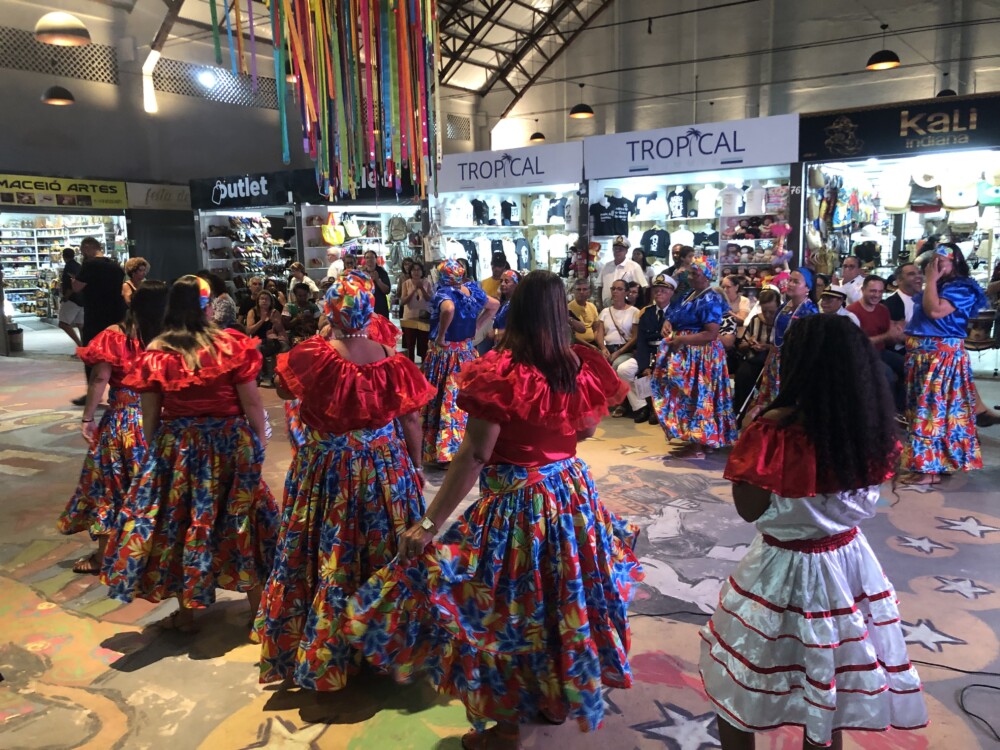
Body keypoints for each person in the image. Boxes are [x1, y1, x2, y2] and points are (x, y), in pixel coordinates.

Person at [343, 270, 643, 749]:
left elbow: (475, 455)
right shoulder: (577, 365)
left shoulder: (500, 372)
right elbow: (585, 431)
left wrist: (428, 523)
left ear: (516, 310)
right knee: (560, 602)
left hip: (517, 507)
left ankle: (505, 731)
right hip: (570, 497)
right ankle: (554, 700)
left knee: (506, 610)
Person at [702, 314, 928, 749]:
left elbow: (749, 509)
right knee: (829, 681)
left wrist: (750, 436)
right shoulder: (870, 425)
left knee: (741, 678)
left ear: (798, 364)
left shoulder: (775, 430)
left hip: (782, 568)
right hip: (848, 564)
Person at [255, 270, 435, 691]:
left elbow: (284, 391)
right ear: (369, 312)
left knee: (327, 550)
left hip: (326, 469)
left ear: (330, 310)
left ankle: (326, 649)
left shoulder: (313, 354)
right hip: (384, 466)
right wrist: (415, 465)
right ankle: (385, 643)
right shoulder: (392, 359)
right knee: (383, 545)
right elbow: (411, 419)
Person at [102, 276, 278, 633]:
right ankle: (259, 612)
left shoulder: (158, 350)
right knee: (241, 521)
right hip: (229, 445)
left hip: (179, 450)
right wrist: (259, 442)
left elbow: (150, 415)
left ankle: (186, 615)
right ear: (207, 306)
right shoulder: (231, 345)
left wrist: (156, 455)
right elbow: (252, 403)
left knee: (181, 525)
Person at [57, 281, 169, 574]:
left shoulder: (115, 335)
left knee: (109, 486)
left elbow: (99, 379)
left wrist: (87, 417)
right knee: (153, 487)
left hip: (124, 421)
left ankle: (105, 555)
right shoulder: (168, 338)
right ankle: (153, 552)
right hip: (161, 419)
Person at [899, 243, 988, 484]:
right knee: (922, 410)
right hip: (922, 358)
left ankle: (929, 470)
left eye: (942, 260)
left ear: (955, 262)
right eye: (933, 260)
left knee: (932, 411)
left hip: (941, 359)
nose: (935, 265)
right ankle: (935, 463)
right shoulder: (940, 285)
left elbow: (935, 312)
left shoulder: (962, 288)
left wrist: (930, 280)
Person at [652, 255, 737, 459]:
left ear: (707, 276)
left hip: (702, 355)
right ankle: (703, 441)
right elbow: (674, 314)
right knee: (691, 395)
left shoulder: (710, 298)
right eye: (690, 272)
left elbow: (711, 333)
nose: (689, 276)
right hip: (689, 352)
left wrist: (682, 339)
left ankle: (698, 445)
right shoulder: (690, 293)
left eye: (694, 273)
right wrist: (668, 323)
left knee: (698, 396)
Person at [420, 259, 497, 466]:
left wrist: (441, 335)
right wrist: (477, 326)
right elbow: (494, 305)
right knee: (463, 398)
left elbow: (448, 309)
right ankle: (467, 445)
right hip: (466, 353)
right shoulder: (471, 290)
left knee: (444, 399)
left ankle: (445, 451)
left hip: (445, 355)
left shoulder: (444, 293)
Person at [746, 268, 818, 422]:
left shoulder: (811, 311)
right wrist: (769, 359)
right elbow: (775, 337)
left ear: (807, 288)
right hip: (777, 359)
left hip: (796, 362)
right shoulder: (784, 307)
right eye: (790, 280)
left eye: (796, 282)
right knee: (770, 396)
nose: (790, 284)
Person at [71, 237, 126, 406]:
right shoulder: (115, 266)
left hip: (95, 314)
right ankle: (121, 390)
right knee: (116, 352)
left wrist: (73, 281)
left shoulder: (90, 265)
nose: (81, 252)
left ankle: (93, 392)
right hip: (116, 314)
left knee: (92, 353)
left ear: (88, 247)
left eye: (82, 248)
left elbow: (77, 287)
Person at [626, 273, 677, 424]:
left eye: (663, 290)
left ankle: (661, 409)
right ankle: (642, 406)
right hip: (649, 354)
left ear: (672, 292)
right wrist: (644, 366)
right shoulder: (646, 313)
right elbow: (641, 342)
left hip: (669, 354)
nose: (659, 293)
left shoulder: (677, 312)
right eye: (656, 290)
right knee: (624, 370)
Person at [732, 288, 779, 414]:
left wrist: (768, 347)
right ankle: (740, 412)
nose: (767, 315)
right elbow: (742, 344)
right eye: (764, 311)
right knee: (743, 375)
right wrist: (750, 344)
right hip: (754, 359)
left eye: (771, 312)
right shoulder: (755, 320)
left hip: (774, 362)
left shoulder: (783, 322)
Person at [595, 280, 639, 417]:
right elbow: (599, 333)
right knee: (595, 365)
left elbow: (634, 337)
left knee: (617, 365)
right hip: (608, 348)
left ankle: (622, 403)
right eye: (613, 288)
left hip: (625, 350)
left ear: (626, 292)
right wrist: (603, 348)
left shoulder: (634, 311)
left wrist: (619, 352)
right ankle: (598, 400)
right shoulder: (605, 311)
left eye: (619, 289)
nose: (615, 292)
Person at [246, 289, 288, 384]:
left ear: (271, 302)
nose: (264, 301)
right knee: (256, 347)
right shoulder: (252, 312)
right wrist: (261, 320)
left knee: (284, 347)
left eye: (267, 299)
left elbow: (280, 330)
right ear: (258, 301)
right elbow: (249, 330)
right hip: (257, 339)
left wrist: (275, 322)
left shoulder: (274, 312)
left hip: (272, 340)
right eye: (262, 299)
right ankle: (259, 376)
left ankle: (277, 375)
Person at [599, 236, 648, 306]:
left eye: (620, 249)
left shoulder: (634, 266)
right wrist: (600, 305)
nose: (617, 251)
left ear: (626, 251)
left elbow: (643, 288)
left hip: (626, 308)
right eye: (615, 249)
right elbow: (600, 286)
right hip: (607, 307)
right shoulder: (606, 266)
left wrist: (636, 305)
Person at [399, 261, 433, 361]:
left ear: (422, 272)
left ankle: (424, 365)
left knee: (424, 344)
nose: (416, 272)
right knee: (410, 344)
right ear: (410, 272)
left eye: (418, 270)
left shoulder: (427, 283)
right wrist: (414, 290)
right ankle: (410, 364)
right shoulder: (406, 283)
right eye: (414, 270)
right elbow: (403, 301)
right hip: (409, 317)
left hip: (423, 317)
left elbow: (430, 299)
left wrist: (421, 288)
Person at [58, 247, 85, 348]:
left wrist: (66, 297)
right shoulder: (78, 266)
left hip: (72, 299)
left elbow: (71, 284)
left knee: (63, 323)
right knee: (81, 325)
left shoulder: (69, 267)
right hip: (82, 298)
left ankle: (80, 345)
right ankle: (85, 347)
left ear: (63, 256)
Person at [490, 269, 521, 346]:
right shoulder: (503, 303)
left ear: (516, 284)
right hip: (500, 344)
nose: (502, 284)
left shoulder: (519, 304)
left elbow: (519, 330)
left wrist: (497, 332)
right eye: (501, 281)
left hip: (511, 346)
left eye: (507, 281)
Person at [568, 278, 600, 346]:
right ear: (574, 291)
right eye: (578, 289)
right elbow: (572, 335)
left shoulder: (592, 306)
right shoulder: (568, 308)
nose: (581, 292)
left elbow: (596, 329)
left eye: (585, 289)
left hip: (593, 343)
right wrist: (590, 346)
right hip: (577, 345)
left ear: (589, 291)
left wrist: (599, 346)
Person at [362, 250, 392, 317]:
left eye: (372, 257)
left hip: (380, 307)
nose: (369, 260)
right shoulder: (362, 273)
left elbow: (387, 291)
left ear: (376, 259)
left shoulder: (382, 272)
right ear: (365, 260)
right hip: (366, 307)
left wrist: (377, 280)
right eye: (367, 257)